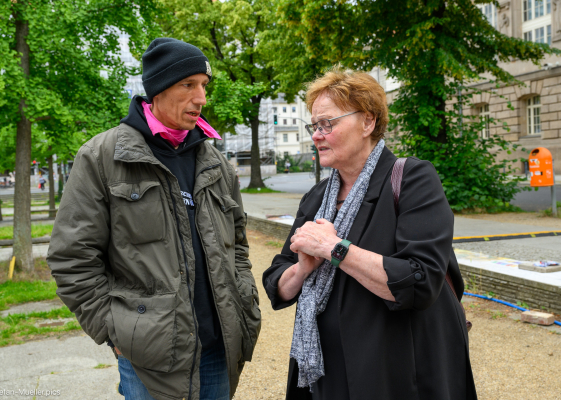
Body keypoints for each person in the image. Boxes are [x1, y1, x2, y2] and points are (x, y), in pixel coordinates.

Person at [47, 38, 261, 400]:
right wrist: (115, 332)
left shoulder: (216, 163)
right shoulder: (102, 157)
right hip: (148, 359)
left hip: (217, 350)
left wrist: (244, 298)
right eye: (188, 85)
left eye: (204, 86)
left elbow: (237, 245)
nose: (201, 98)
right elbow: (72, 259)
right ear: (158, 89)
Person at [262, 69, 477, 400]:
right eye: (314, 126)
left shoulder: (412, 179)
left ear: (368, 122)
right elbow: (277, 284)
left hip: (399, 375)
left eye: (327, 124)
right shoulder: (317, 198)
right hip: (325, 376)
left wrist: (335, 249)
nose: (317, 135)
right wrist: (303, 268)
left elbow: (420, 281)